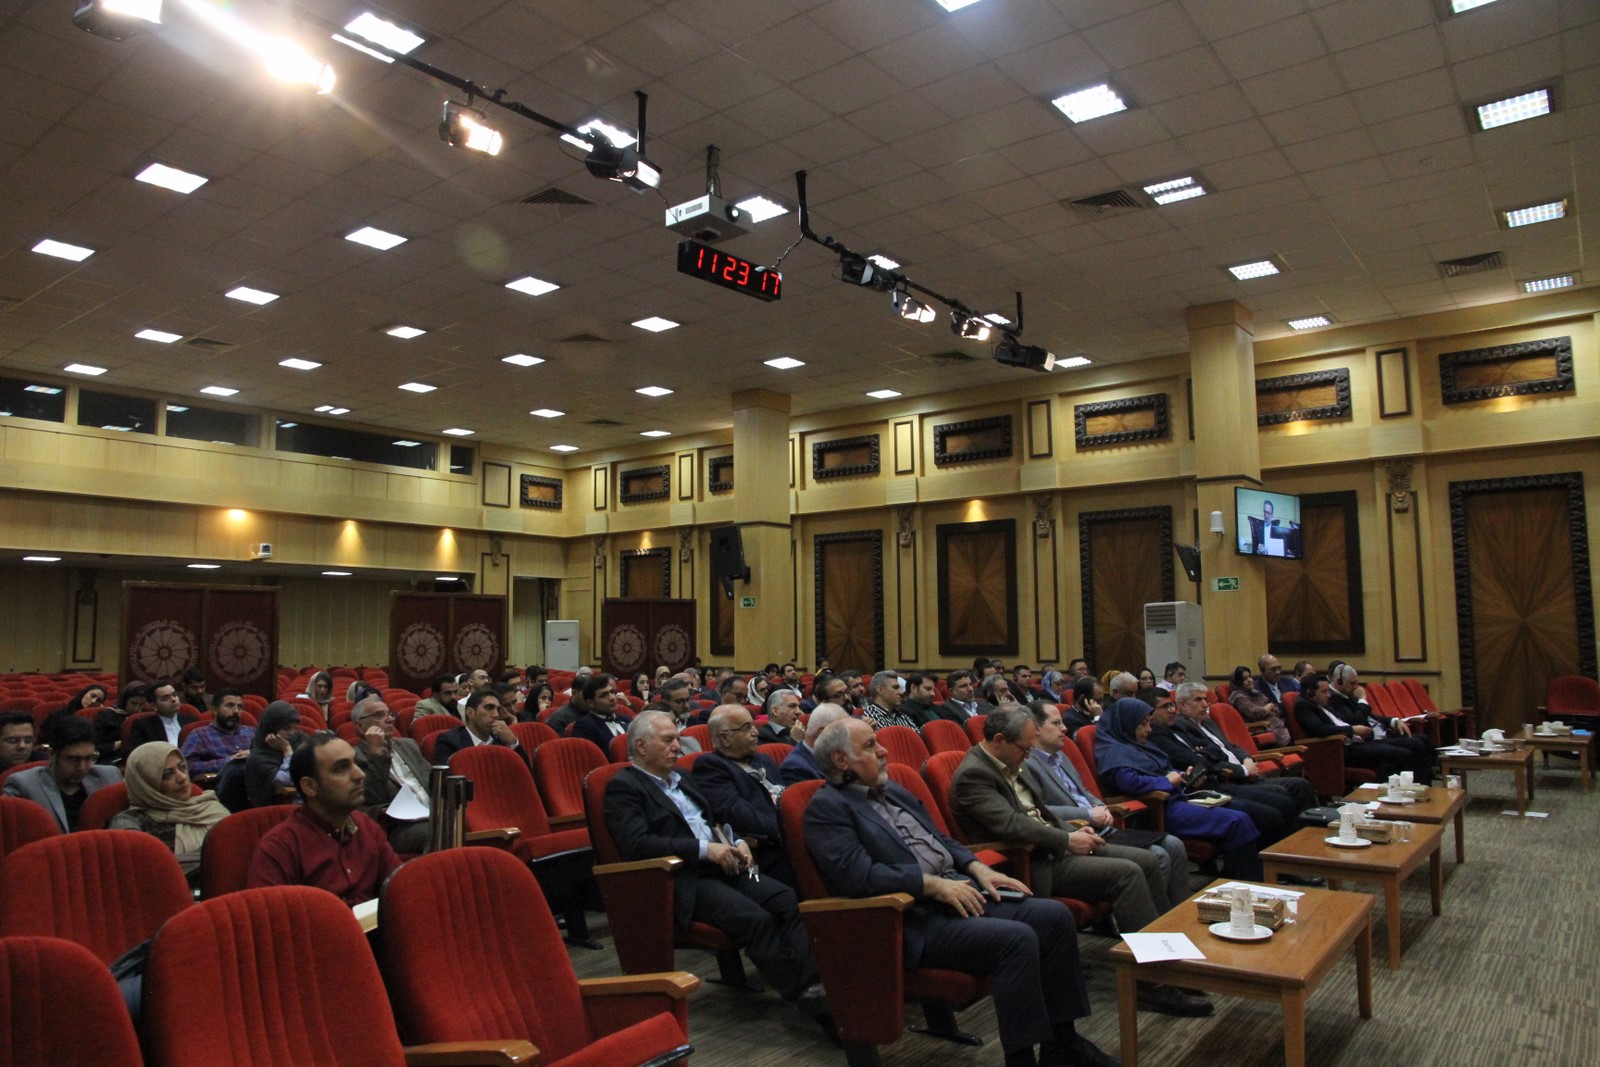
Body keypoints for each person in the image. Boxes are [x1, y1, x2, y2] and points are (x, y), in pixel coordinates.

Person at [804, 718, 1118, 1067]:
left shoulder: (893, 790)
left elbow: (943, 840)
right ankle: (1021, 1059)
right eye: (869, 746)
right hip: (911, 919)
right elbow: (859, 877)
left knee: (1054, 916)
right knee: (1017, 939)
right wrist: (931, 884)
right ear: (841, 760)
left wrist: (977, 867)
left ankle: (1063, 1044)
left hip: (959, 891)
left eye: (878, 742)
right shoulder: (826, 808)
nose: (883, 751)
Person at [948, 706, 1210, 1017]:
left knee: (1148, 860)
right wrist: (1067, 839)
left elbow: (1042, 813)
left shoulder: (1012, 760)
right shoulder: (973, 775)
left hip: (1054, 845)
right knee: (1127, 873)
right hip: (1031, 862)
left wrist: (1071, 830)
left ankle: (1167, 961)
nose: (1029, 754)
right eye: (1024, 748)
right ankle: (1151, 983)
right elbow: (1012, 825)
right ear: (1000, 740)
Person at [603, 711, 826, 1026]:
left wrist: (738, 841)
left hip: (729, 864)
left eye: (677, 739)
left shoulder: (683, 777)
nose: (677, 747)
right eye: (667, 741)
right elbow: (637, 844)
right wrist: (705, 850)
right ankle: (806, 995)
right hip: (686, 879)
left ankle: (815, 984)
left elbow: (714, 820)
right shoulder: (624, 787)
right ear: (640, 746)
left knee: (788, 900)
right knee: (756, 919)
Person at [1025, 702, 1190, 912]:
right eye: (1056, 723)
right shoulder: (1026, 763)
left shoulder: (1061, 755)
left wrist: (1101, 807)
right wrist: (1088, 814)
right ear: (1036, 728)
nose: (1064, 728)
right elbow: (1041, 810)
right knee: (1158, 855)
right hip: (1078, 832)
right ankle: (1159, 918)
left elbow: (1083, 791)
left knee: (1173, 844)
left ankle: (1180, 913)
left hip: (1103, 825)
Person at [1095, 698, 1261, 880]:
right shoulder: (1114, 751)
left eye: (1149, 723)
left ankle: (1237, 877)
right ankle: (1243, 884)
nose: (1148, 729)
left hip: (1180, 797)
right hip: (1159, 809)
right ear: (1126, 724)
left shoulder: (1139, 744)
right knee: (1237, 821)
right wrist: (1166, 781)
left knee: (1241, 809)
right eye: (1143, 724)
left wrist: (1184, 776)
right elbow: (1128, 782)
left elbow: (1164, 768)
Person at [247, 733, 402, 906]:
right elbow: (271, 917)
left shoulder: (367, 826)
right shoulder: (279, 848)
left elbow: (399, 888)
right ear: (310, 786)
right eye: (341, 768)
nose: (360, 775)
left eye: (356, 763)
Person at [1148, 690, 1299, 843]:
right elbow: (1193, 759)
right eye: (1165, 707)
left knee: (1286, 796)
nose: (1172, 710)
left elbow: (1218, 749)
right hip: (1212, 784)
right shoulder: (1164, 731)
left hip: (1224, 777)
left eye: (1171, 705)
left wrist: (1245, 758)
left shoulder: (1196, 724)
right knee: (1274, 810)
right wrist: (1240, 770)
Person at [1173, 683, 1316, 813]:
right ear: (1183, 705)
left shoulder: (1207, 722)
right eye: (1198, 700)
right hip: (1232, 780)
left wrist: (1247, 759)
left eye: (1205, 699)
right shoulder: (1182, 727)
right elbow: (1208, 761)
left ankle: (1312, 826)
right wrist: (1244, 771)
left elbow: (1231, 746)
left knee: (1300, 785)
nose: (1205, 704)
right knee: (1281, 795)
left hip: (1247, 773)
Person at [693, 704, 792, 884]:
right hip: (769, 848)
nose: (756, 732)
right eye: (746, 728)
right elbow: (739, 814)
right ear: (724, 738)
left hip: (791, 835)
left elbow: (786, 796)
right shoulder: (711, 766)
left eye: (753, 725)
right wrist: (788, 829)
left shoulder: (764, 759)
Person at [109, 742, 229, 877]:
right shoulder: (129, 822)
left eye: (182, 767)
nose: (182, 778)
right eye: (167, 774)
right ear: (146, 783)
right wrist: (218, 853)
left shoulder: (209, 806)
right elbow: (143, 869)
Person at [1300, 668, 1434, 784]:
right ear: (1310, 692)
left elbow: (1357, 718)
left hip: (1359, 742)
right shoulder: (1304, 706)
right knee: (1403, 754)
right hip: (1341, 750)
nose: (1328, 695)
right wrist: (1352, 730)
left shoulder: (1324, 703)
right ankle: (1413, 792)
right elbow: (1320, 729)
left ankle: (1420, 790)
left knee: (1408, 749)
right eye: (1324, 692)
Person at [4, 717, 121, 832]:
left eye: (89, 758)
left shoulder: (109, 776)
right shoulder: (22, 785)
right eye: (74, 759)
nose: (82, 767)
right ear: (52, 755)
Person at [350, 695, 434, 854]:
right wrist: (376, 754)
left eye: (389, 714)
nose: (389, 719)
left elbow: (432, 780)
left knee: (455, 823)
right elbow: (373, 797)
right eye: (379, 715)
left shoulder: (408, 745)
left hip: (432, 814)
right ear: (360, 727)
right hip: (399, 826)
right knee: (436, 831)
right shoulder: (354, 757)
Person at [180, 688, 256, 775]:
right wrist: (229, 761)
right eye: (230, 705)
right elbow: (187, 766)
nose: (236, 711)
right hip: (220, 781)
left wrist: (255, 755)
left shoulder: (251, 732)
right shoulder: (199, 736)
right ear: (215, 710)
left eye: (239, 707)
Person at [435, 689, 520, 765]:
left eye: (498, 709)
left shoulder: (501, 739)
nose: (496, 715)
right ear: (470, 713)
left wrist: (513, 741)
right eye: (489, 708)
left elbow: (523, 772)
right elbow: (445, 776)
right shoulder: (449, 741)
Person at [244, 702, 302, 809]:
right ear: (271, 729)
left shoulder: (298, 741)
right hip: (285, 808)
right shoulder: (257, 758)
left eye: (294, 728)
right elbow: (289, 780)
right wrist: (287, 750)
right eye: (286, 728)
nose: (291, 733)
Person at [778, 703, 850, 786]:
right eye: (842, 733)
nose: (848, 739)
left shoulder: (837, 755)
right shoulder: (795, 768)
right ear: (823, 733)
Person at [568, 673, 632, 756]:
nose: (612, 698)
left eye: (612, 692)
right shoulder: (585, 726)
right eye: (604, 695)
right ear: (590, 703)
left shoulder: (628, 720)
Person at [1229, 665, 1290, 747]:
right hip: (1259, 728)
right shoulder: (1238, 697)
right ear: (1238, 682)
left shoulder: (1255, 692)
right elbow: (1255, 713)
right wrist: (1268, 707)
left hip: (1272, 724)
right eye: (1244, 679)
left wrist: (1268, 708)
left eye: (1250, 677)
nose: (1250, 680)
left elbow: (1276, 708)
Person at [131, 682, 199, 754]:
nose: (173, 699)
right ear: (154, 706)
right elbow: (134, 754)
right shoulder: (143, 726)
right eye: (165, 698)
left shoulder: (192, 721)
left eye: (174, 695)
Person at [92, 681, 149, 764]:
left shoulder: (146, 716)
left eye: (141, 704)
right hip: (110, 759)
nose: (137, 708)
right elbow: (95, 748)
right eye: (133, 703)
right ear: (124, 700)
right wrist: (120, 744)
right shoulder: (107, 716)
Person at [644, 679, 702, 752]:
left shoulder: (697, 722)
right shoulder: (656, 728)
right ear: (665, 703)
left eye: (688, 700)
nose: (687, 706)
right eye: (679, 701)